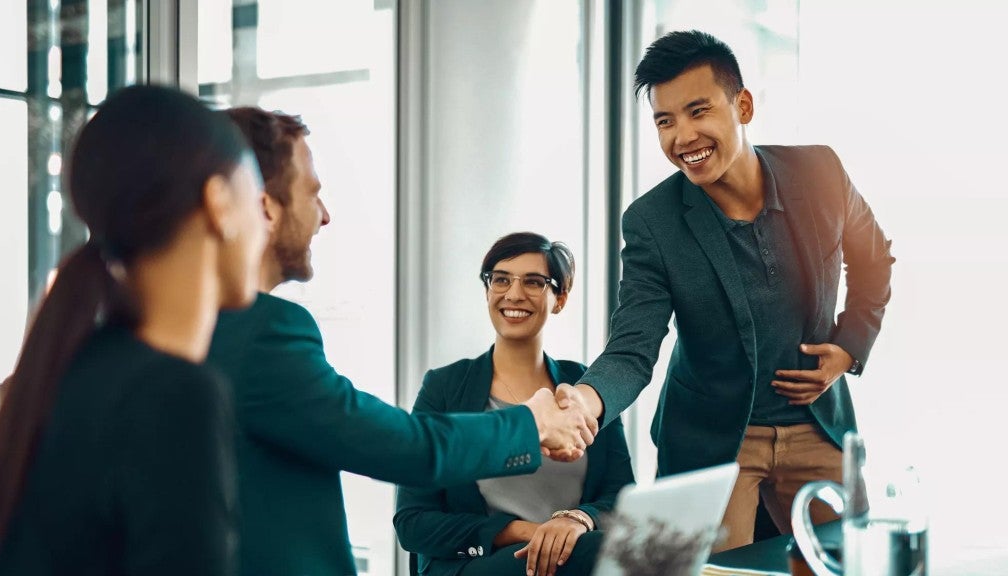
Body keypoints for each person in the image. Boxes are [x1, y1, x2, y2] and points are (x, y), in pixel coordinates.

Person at [206, 108, 597, 576]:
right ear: (266, 207)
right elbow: (407, 450)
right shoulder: (262, 330)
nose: (325, 216)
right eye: (313, 194)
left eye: (534, 283)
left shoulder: (196, 329)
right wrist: (530, 425)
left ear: (560, 298)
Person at [561, 30, 895, 550]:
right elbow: (633, 346)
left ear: (743, 105)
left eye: (698, 111)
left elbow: (874, 262)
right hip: (716, 442)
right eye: (665, 121)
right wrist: (588, 399)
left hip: (817, 425)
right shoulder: (652, 222)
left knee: (849, 562)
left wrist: (849, 347)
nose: (682, 137)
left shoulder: (820, 172)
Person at [0, 85, 267, 575]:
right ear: (218, 203)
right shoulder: (175, 394)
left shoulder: (74, 370)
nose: (265, 227)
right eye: (258, 200)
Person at [395, 232, 635, 576]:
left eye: (535, 282)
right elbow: (413, 521)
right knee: (612, 554)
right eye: (500, 280)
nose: (514, 294)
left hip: (574, 557)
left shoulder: (584, 388)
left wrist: (577, 520)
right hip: (478, 565)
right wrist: (529, 533)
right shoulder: (445, 386)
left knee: (619, 549)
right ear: (488, 290)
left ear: (560, 298)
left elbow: (622, 498)